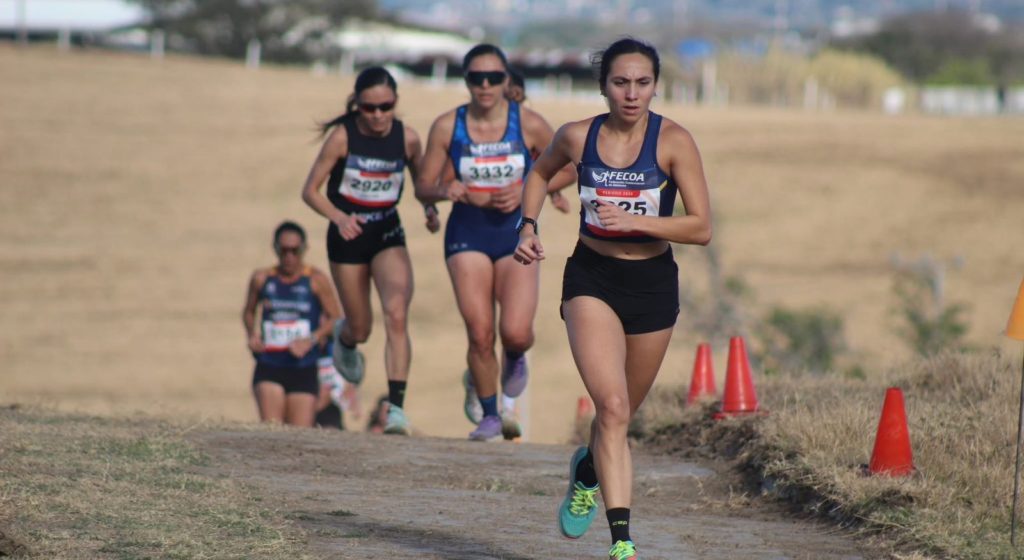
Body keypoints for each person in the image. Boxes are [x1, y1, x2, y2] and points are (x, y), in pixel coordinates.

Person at [513, 38, 712, 560]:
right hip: (592, 278)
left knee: (616, 420)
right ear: (604, 86)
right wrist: (527, 226)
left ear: (655, 85)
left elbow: (701, 226)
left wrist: (639, 221)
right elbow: (538, 173)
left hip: (651, 286)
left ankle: (587, 469)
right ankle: (622, 543)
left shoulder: (674, 141)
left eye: (642, 83)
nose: (631, 93)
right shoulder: (578, 137)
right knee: (614, 406)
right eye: (621, 82)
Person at [416, 44, 575, 441]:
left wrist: (526, 188)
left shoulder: (529, 123)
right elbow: (422, 184)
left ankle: (516, 357)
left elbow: (570, 168)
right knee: (480, 331)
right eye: (476, 78)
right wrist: (446, 189)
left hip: (515, 232)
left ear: (507, 81)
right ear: (466, 81)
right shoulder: (446, 126)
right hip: (467, 233)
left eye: (493, 78)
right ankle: (489, 414)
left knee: (516, 332)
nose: (485, 85)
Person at [301, 66, 433, 436]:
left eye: (385, 107)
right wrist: (339, 217)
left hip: (387, 232)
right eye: (369, 108)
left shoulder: (407, 139)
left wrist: (430, 208)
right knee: (361, 329)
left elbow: (422, 183)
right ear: (357, 105)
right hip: (347, 237)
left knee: (396, 313)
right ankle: (345, 339)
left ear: (395, 103)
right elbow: (310, 191)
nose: (377, 115)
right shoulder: (342, 138)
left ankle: (396, 409)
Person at [242, 221, 342, 427]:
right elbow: (248, 312)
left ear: (304, 249)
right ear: (275, 249)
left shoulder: (315, 279)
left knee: (298, 437)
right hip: (269, 365)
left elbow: (336, 319)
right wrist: (252, 335)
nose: (289, 257)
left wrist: (312, 339)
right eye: (284, 250)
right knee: (272, 432)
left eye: (295, 251)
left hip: (303, 367)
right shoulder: (262, 279)